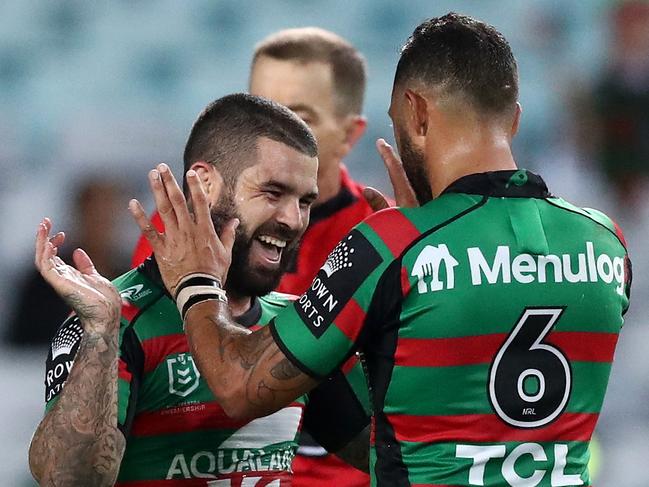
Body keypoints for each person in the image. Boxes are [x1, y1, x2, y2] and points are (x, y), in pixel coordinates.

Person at [129, 13, 632, 486]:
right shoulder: (606, 242)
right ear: (515, 119)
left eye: (394, 121)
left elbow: (239, 386)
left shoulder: (391, 244)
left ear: (415, 112)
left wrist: (196, 281)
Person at [29, 94, 370, 486]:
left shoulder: (296, 322)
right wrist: (101, 335)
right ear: (204, 184)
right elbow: (68, 479)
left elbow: (390, 452)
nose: (294, 220)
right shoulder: (114, 319)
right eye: (273, 193)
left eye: (305, 201)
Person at [130, 28, 379, 486]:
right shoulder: (185, 226)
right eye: (262, 106)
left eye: (298, 116)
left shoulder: (382, 233)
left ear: (350, 134)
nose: (276, 130)